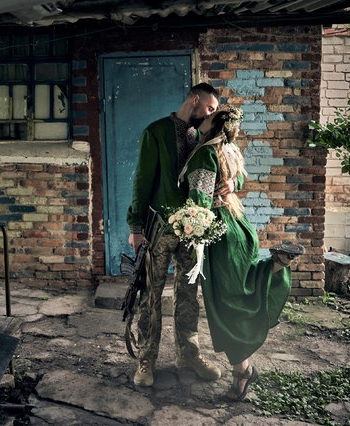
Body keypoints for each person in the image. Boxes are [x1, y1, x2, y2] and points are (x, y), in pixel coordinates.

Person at [179, 106, 305, 401]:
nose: (204, 117)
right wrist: (231, 184)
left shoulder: (205, 153)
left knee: (226, 304)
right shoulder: (230, 149)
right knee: (241, 289)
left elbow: (198, 202)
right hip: (240, 226)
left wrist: (188, 230)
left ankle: (242, 372)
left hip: (219, 233)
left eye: (209, 116)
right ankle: (271, 267)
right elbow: (240, 181)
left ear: (213, 125)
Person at [127, 82, 223, 387]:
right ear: (195, 100)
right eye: (209, 108)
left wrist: (231, 186)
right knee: (150, 295)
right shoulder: (156, 132)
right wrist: (135, 227)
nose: (212, 114)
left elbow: (224, 170)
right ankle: (146, 359)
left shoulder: (203, 136)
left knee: (188, 294)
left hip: (193, 232)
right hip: (159, 228)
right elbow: (142, 181)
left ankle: (189, 355)